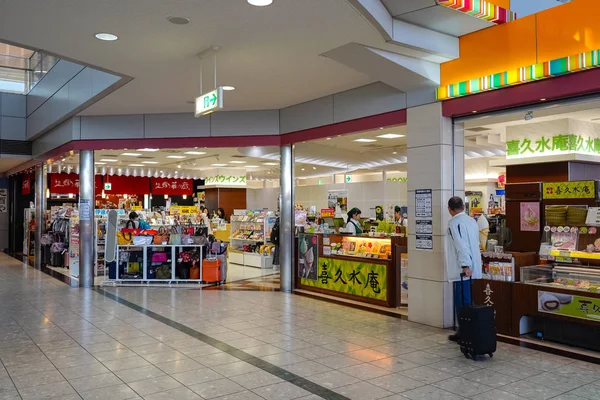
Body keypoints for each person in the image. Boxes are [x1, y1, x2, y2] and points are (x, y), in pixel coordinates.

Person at [446, 196, 482, 342]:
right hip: (472, 268)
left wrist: (465, 265)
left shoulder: (455, 223)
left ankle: (465, 333)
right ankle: (466, 331)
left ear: (449, 209)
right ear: (463, 206)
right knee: (467, 300)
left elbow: (461, 246)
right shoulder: (472, 221)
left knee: (463, 302)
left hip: (464, 270)